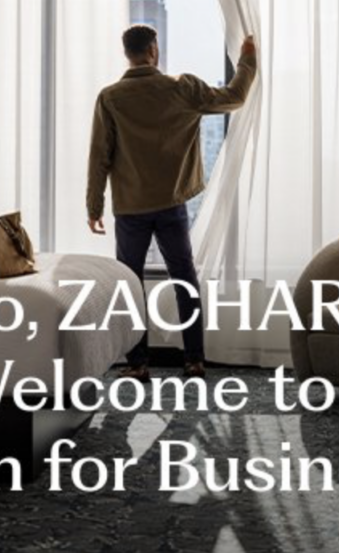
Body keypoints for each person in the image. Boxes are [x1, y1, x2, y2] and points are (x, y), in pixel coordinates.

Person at [86, 24, 258, 382]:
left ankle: (138, 364)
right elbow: (234, 97)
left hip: (130, 208)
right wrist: (247, 61)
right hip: (170, 205)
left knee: (130, 286)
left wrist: (93, 205)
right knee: (185, 280)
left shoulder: (110, 97)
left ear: (127, 53)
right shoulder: (182, 88)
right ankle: (194, 360)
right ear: (154, 50)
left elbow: (99, 156)